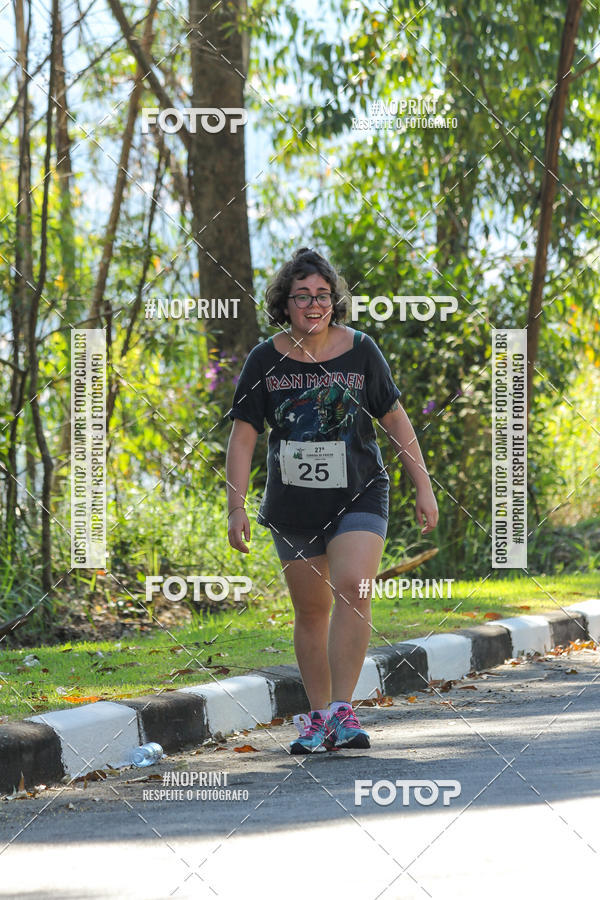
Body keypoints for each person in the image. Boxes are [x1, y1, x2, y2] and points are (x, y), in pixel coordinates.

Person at [226, 248, 438, 753]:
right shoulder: (264, 358)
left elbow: (395, 421)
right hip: (293, 505)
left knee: (353, 586)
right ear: (286, 303)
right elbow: (242, 436)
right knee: (311, 609)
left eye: (322, 295)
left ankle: (344, 710)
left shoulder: (361, 350)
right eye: (302, 296)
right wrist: (236, 507)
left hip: (360, 491)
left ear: (334, 300)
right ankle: (318, 716)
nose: (313, 304)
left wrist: (423, 485)